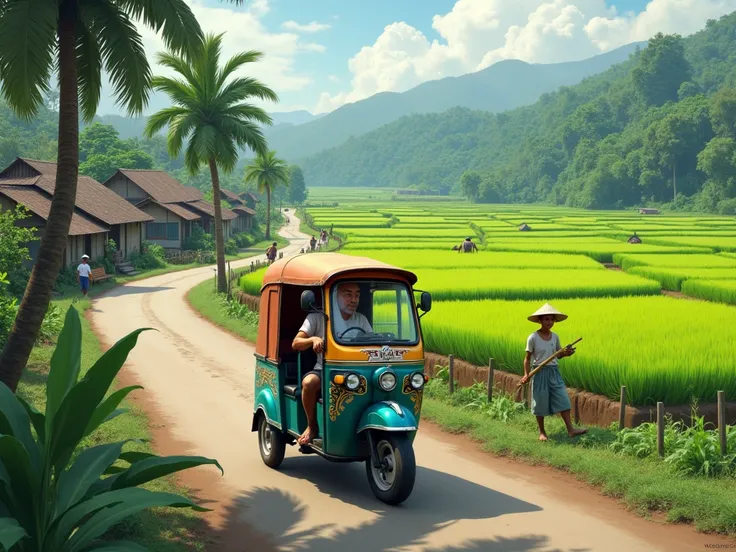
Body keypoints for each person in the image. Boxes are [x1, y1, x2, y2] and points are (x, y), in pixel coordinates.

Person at [292, 282, 373, 445]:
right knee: (308, 383)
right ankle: (312, 426)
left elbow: (371, 344)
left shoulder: (361, 320)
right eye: (348, 294)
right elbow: (296, 343)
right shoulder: (317, 317)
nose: (353, 299)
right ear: (335, 297)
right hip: (326, 370)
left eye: (357, 295)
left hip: (357, 371)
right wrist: (313, 339)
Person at [520, 303, 587, 441]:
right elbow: (527, 358)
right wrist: (526, 374)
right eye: (546, 319)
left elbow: (558, 354)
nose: (549, 322)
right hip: (539, 372)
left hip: (553, 372)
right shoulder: (533, 337)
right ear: (540, 320)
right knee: (540, 402)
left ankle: (571, 430)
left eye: (551, 319)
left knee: (563, 399)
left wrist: (566, 353)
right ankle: (542, 432)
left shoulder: (555, 337)